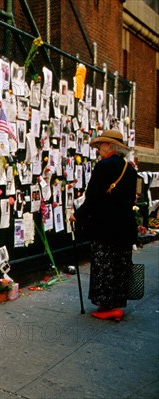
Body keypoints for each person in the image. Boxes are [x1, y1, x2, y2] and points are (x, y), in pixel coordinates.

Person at [70, 130, 137, 321]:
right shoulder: (129, 168)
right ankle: (114, 303)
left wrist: (78, 215)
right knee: (119, 265)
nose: (99, 148)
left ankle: (110, 306)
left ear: (109, 146)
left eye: (101, 145)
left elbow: (93, 197)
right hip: (124, 227)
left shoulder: (103, 166)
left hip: (105, 227)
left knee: (104, 265)